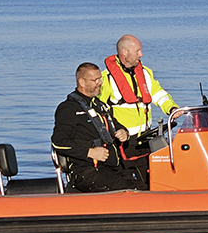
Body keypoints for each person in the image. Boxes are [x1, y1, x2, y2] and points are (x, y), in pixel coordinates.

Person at [51, 62, 144, 192]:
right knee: (129, 189)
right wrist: (90, 152)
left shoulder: (100, 106)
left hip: (111, 167)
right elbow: (59, 142)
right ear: (82, 82)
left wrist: (124, 132)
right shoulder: (69, 108)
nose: (100, 83)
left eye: (100, 78)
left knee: (142, 187)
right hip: (87, 170)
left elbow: (116, 125)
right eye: (95, 80)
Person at [98, 34, 178, 183]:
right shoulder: (106, 78)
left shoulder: (145, 73)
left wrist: (172, 108)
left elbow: (158, 94)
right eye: (138, 51)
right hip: (123, 141)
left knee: (152, 179)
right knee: (125, 181)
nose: (141, 54)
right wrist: (115, 131)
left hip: (146, 138)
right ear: (124, 53)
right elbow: (99, 111)